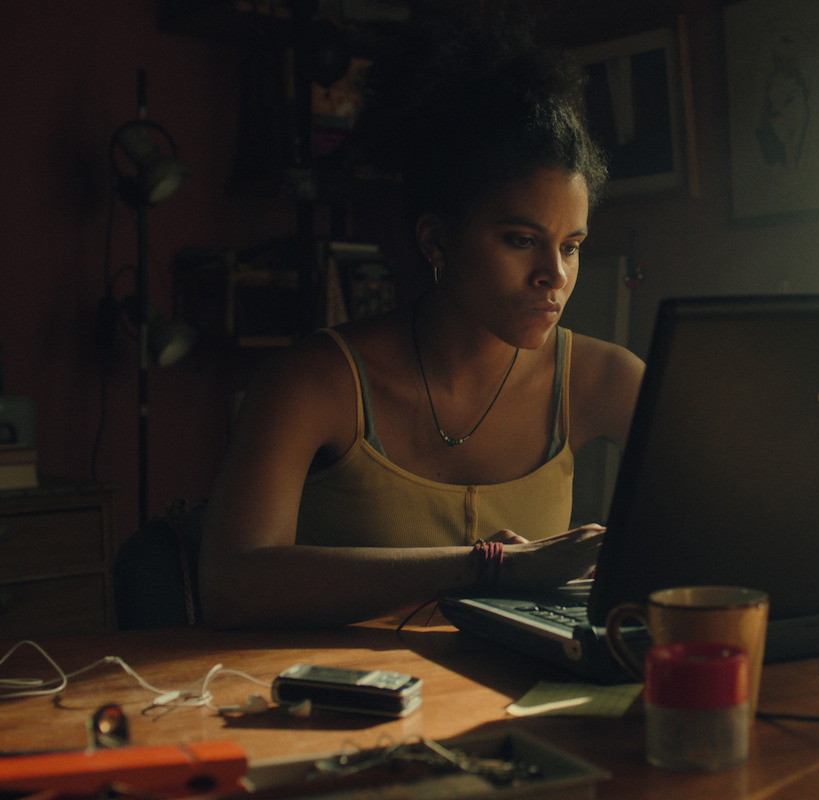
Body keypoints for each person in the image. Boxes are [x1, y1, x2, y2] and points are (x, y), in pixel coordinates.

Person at [198, 11, 645, 629]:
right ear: (436, 240)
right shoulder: (316, 383)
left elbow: (729, 517)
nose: (555, 275)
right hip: (340, 710)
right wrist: (486, 566)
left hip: (517, 703)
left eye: (571, 246)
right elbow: (231, 583)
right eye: (521, 240)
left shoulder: (604, 379)